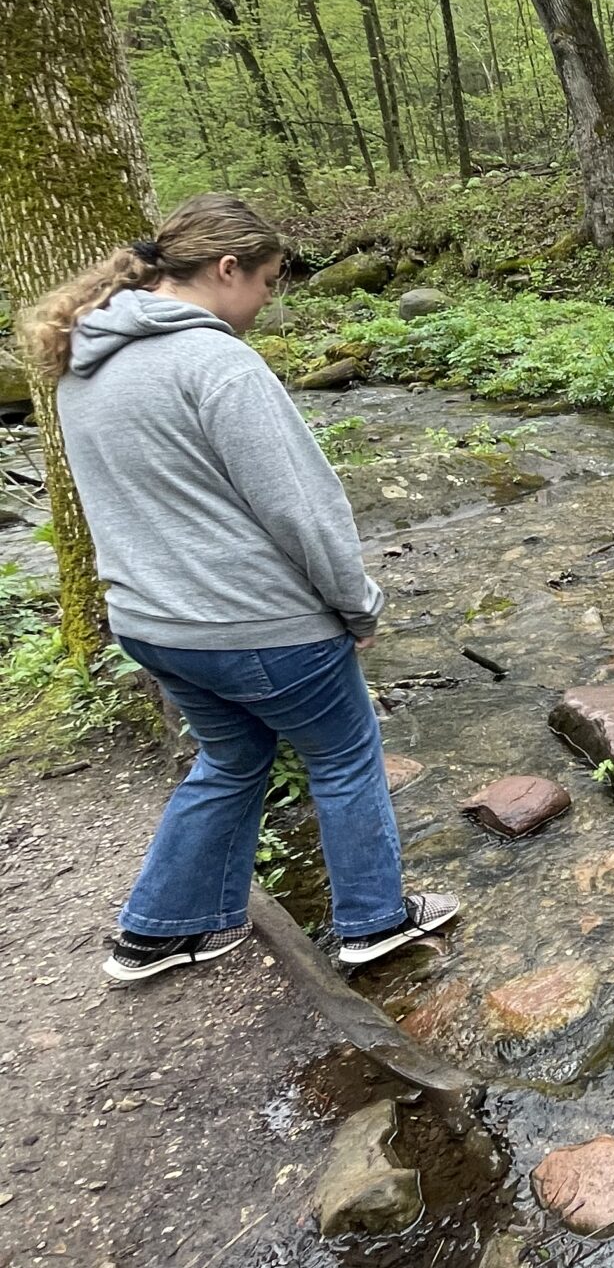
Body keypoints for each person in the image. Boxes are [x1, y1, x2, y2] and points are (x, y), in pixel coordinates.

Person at [23, 194, 458, 984]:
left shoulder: (81, 362)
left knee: (230, 761)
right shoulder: (216, 362)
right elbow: (302, 509)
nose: (266, 301)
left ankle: (160, 931)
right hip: (258, 626)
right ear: (227, 269)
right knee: (345, 757)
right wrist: (357, 605)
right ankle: (375, 922)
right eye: (266, 281)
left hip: (152, 626)